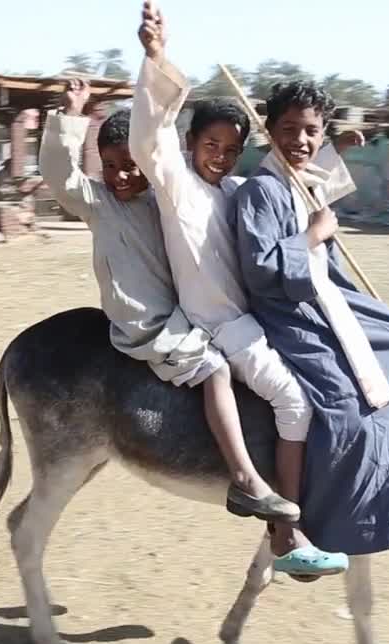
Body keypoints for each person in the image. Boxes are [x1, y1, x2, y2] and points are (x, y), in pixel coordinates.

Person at [130, 0, 352, 577]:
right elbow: (150, 136)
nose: (221, 157)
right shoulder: (175, 181)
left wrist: (336, 149)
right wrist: (157, 59)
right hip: (220, 324)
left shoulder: (234, 191)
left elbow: (296, 169)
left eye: (231, 150)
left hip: (252, 317)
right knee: (294, 401)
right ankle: (284, 531)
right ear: (190, 144)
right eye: (210, 146)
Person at [39, 77, 299, 526]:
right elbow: (61, 176)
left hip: (184, 315)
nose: (122, 175)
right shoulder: (99, 203)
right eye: (110, 165)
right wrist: (71, 116)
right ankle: (244, 478)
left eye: (131, 164)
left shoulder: (165, 196)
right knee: (216, 370)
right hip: (148, 322)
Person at [233, 79, 389, 558]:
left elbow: (316, 178)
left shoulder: (300, 180)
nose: (300, 139)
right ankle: (301, 529)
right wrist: (313, 237)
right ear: (269, 131)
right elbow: (259, 272)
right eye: (289, 128)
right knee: (347, 410)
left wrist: (337, 149)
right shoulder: (259, 191)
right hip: (290, 313)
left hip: (328, 298)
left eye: (311, 131)